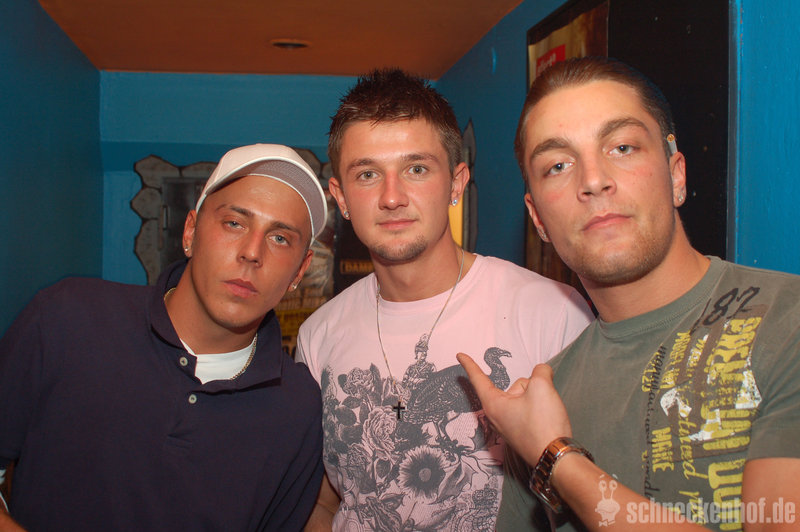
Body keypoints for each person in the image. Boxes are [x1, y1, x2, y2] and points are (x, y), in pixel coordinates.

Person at [458, 57, 800, 531]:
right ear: (538, 220)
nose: (593, 180)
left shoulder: (786, 320)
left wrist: (557, 458)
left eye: (622, 147)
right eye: (558, 165)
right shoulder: (540, 402)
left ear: (676, 175)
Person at [296, 68, 594, 531]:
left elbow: (593, 491)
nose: (392, 197)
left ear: (456, 183)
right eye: (368, 174)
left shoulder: (552, 312)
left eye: (416, 169)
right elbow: (322, 503)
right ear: (341, 197)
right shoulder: (318, 334)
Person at [0, 144, 328, 531]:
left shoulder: (298, 409)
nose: (252, 252)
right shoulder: (68, 317)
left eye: (280, 238)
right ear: (190, 231)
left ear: (299, 272)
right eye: (234, 223)